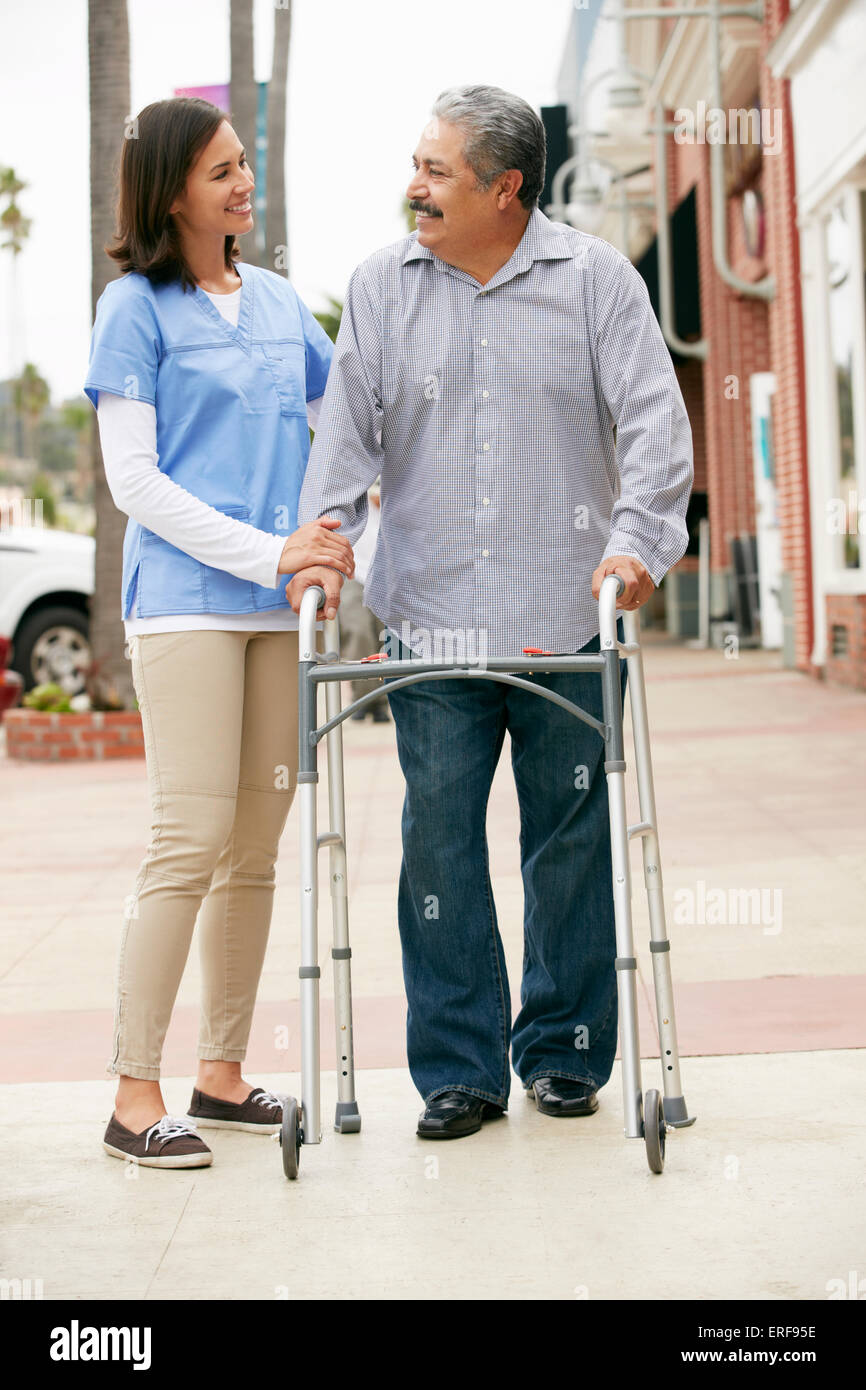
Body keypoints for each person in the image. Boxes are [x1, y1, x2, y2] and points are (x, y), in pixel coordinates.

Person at [289, 85, 692, 1139]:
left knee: (565, 835)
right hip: (427, 614)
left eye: (436, 171)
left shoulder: (596, 280)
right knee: (437, 846)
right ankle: (459, 1068)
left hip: (563, 610)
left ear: (504, 188)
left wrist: (635, 542)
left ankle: (561, 1049)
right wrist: (323, 542)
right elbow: (344, 438)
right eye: (416, 164)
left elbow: (655, 424)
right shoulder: (382, 289)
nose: (413, 186)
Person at [84, 97, 353, 1168]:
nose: (242, 183)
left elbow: (348, 438)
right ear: (169, 193)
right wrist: (270, 551)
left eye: (243, 164)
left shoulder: (284, 306)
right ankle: (131, 1091)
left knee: (255, 851)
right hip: (189, 609)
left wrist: (337, 544)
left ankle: (222, 1072)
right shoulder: (133, 309)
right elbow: (133, 482)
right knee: (186, 844)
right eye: (218, 172)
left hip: (278, 614)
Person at [338, 485, 391, 722]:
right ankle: (362, 698)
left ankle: (380, 701)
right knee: (358, 633)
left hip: (385, 574)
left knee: (383, 640)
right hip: (354, 573)